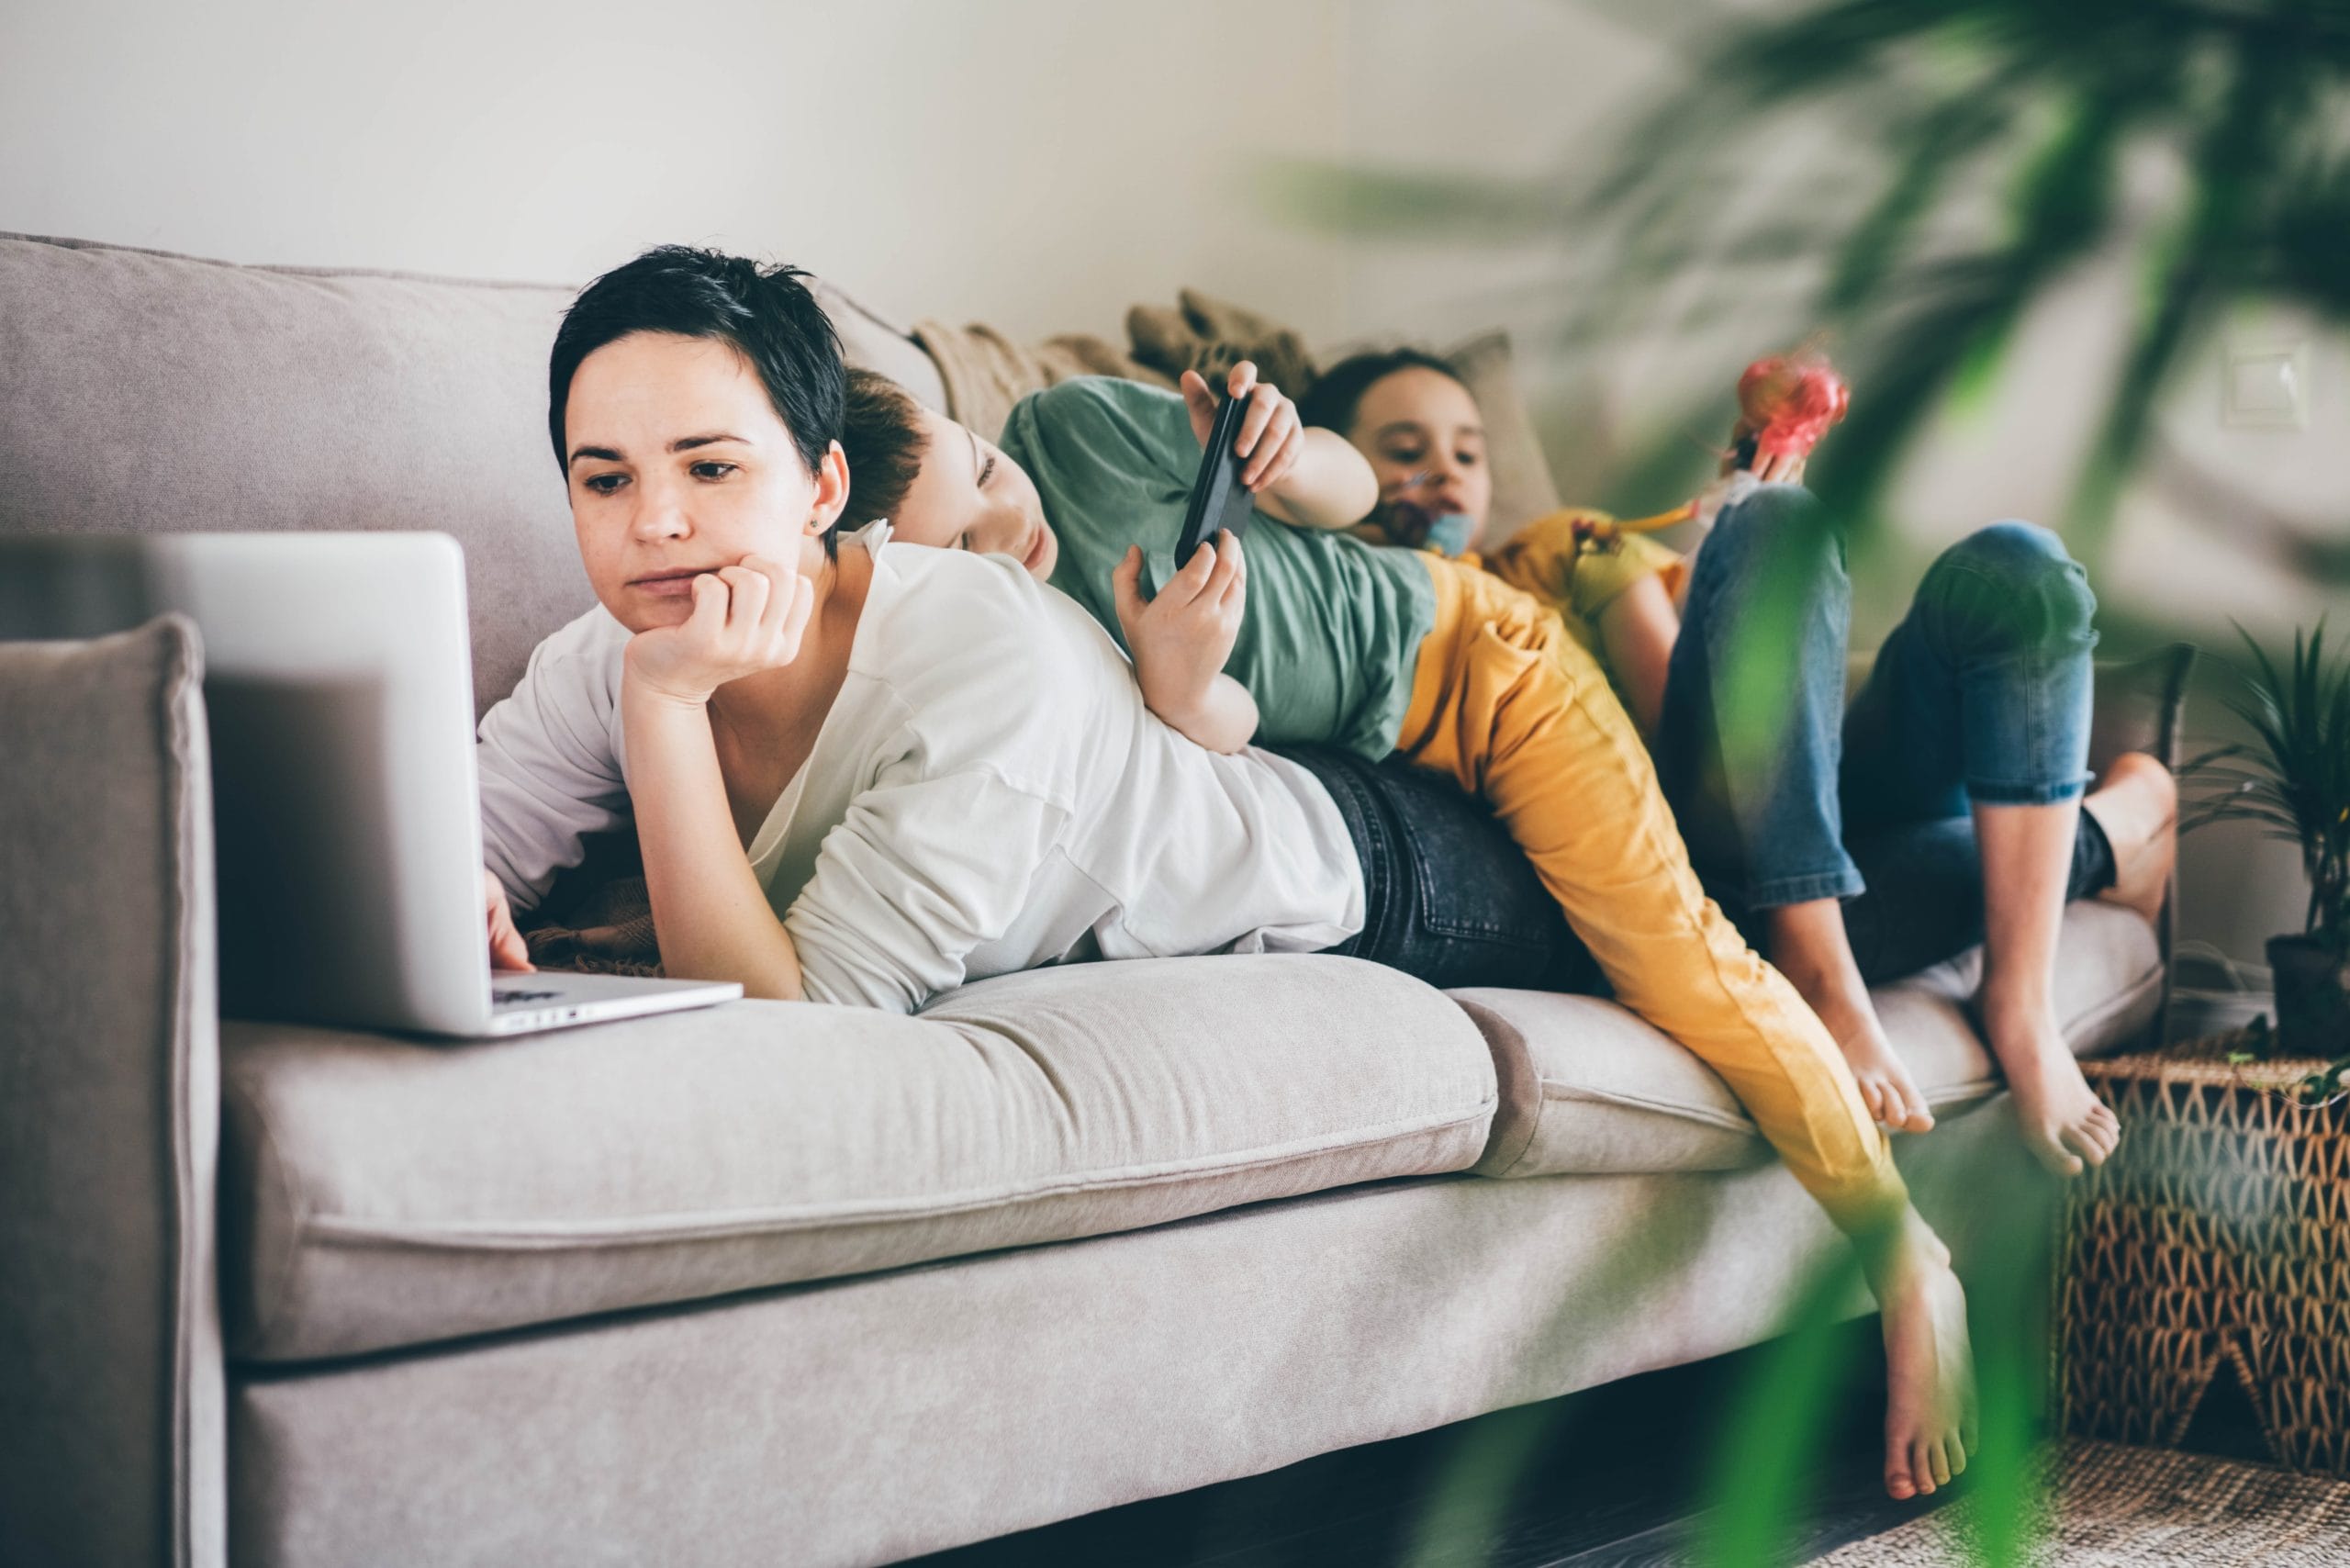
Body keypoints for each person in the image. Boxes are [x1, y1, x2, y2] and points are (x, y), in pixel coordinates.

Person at [843, 364, 1978, 1500]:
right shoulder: (1025, 647)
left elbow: (1340, 500)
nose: (1014, 522)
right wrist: (1184, 688)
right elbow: (1224, 728)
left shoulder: (1071, 431)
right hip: (1386, 767)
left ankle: (1907, 1257)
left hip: (1487, 665)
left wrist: (1296, 454)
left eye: (985, 470)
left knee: (1679, 958)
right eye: (971, 539)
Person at [1299, 348, 2177, 1176]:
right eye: (1405, 451)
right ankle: (2128, 818)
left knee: (2011, 567)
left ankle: (2018, 1006)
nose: (1447, 472)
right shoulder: (1331, 626)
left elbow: (1680, 716)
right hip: (1702, 875)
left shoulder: (1567, 550)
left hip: (1752, 790)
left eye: (1468, 450)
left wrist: (1745, 546)